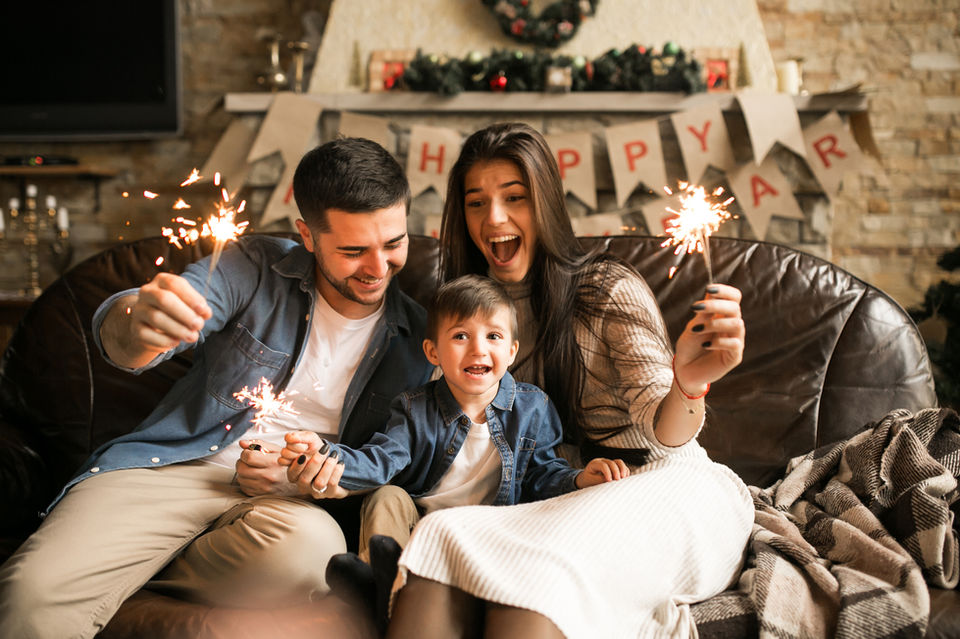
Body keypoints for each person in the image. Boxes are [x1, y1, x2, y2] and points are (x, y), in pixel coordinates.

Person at [0, 137, 434, 639]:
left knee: (310, 556)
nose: (378, 268)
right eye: (354, 250)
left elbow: (399, 462)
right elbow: (131, 334)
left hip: (287, 506)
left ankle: (133, 566)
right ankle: (111, 559)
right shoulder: (251, 265)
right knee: (30, 597)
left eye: (394, 244)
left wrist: (307, 480)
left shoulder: (422, 341)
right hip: (174, 471)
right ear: (308, 237)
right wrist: (137, 321)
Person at [383, 122, 753, 639]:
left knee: (533, 582)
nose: (494, 219)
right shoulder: (466, 313)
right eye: (475, 203)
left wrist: (687, 384)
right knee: (440, 534)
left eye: (515, 197)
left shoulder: (606, 289)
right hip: (563, 495)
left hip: (660, 481)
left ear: (547, 203)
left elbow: (662, 430)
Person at [280, 274, 628, 557]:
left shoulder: (532, 407)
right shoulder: (414, 407)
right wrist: (325, 455)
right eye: (461, 336)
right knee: (386, 496)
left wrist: (581, 479)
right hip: (420, 525)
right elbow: (381, 461)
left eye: (493, 336)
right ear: (433, 352)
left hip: (492, 528)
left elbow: (542, 475)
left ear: (511, 352)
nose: (478, 348)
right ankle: (379, 576)